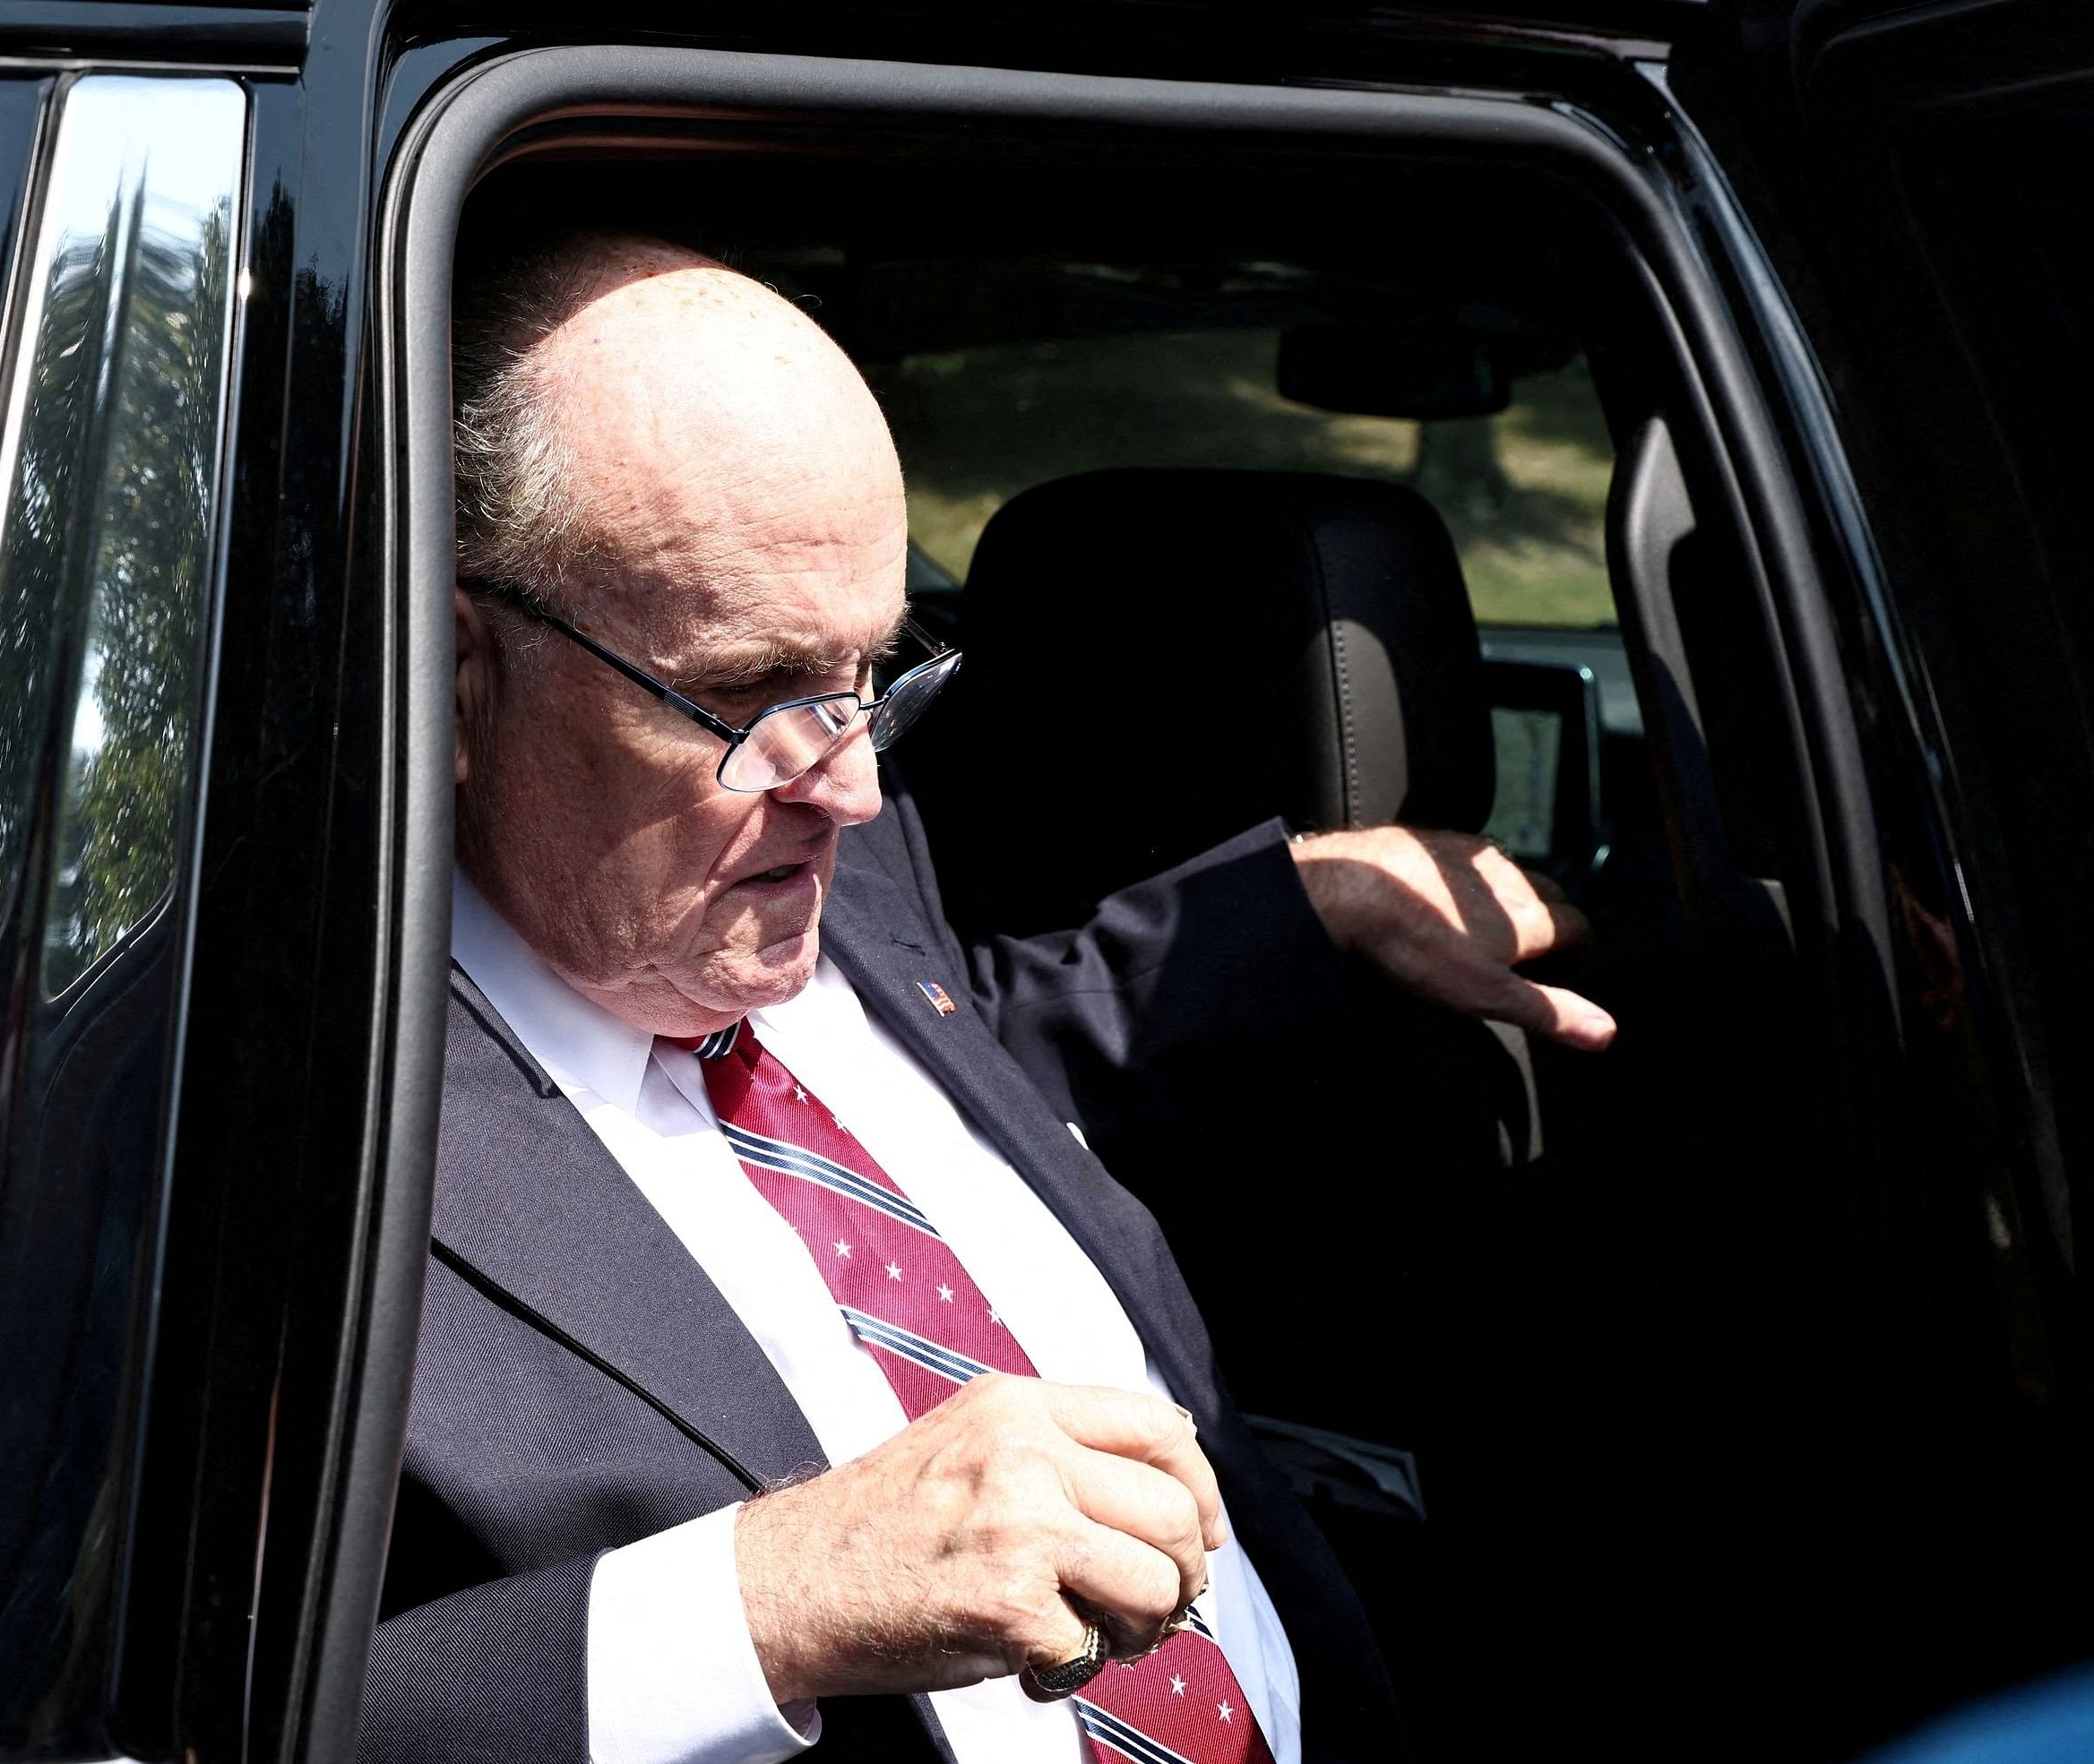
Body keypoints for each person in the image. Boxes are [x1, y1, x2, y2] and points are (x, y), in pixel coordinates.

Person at [369, 230, 1609, 1764]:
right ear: (461, 669)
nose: (859, 784)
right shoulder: (271, 1153)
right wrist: (762, 1601)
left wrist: (1297, 896)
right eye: (754, 698)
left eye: (878, 675)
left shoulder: (822, 863)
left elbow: (975, 1059)